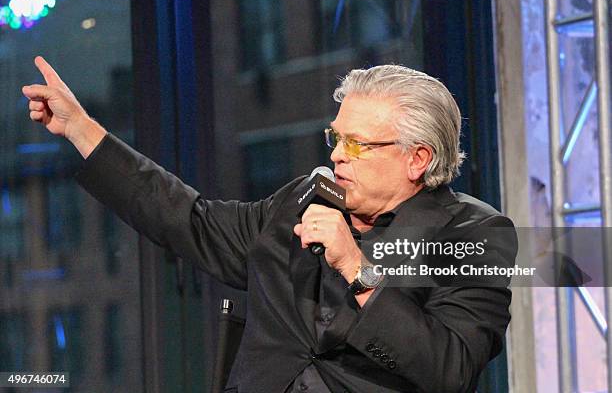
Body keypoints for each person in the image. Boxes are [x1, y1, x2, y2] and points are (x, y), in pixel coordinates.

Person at [22, 57, 516, 392]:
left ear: (418, 158)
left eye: (359, 144)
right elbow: (189, 221)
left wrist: (358, 268)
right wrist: (81, 129)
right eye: (336, 138)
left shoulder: (473, 235)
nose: (338, 156)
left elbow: (449, 368)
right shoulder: (301, 203)